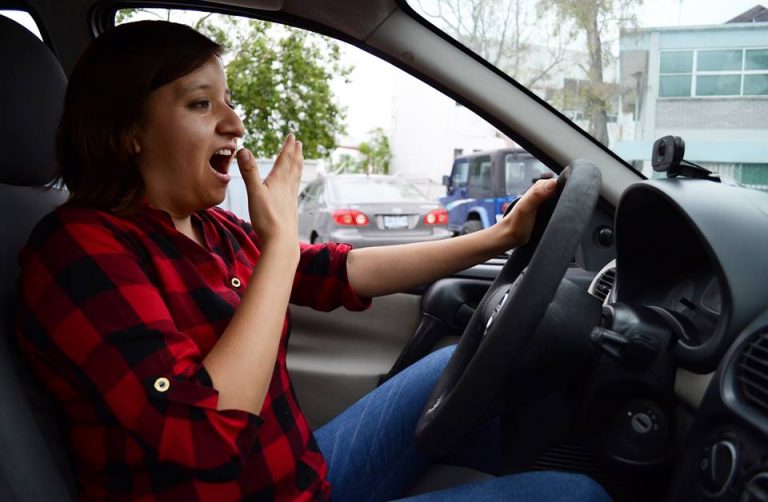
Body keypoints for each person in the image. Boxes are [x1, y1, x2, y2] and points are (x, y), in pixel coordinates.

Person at [15, 20, 611, 502]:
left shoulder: (212, 228)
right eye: (201, 104)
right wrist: (277, 246)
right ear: (127, 133)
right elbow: (204, 439)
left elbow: (335, 272)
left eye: (228, 100)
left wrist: (497, 238)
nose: (235, 124)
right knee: (577, 493)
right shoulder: (77, 251)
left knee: (461, 364)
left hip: (296, 475)